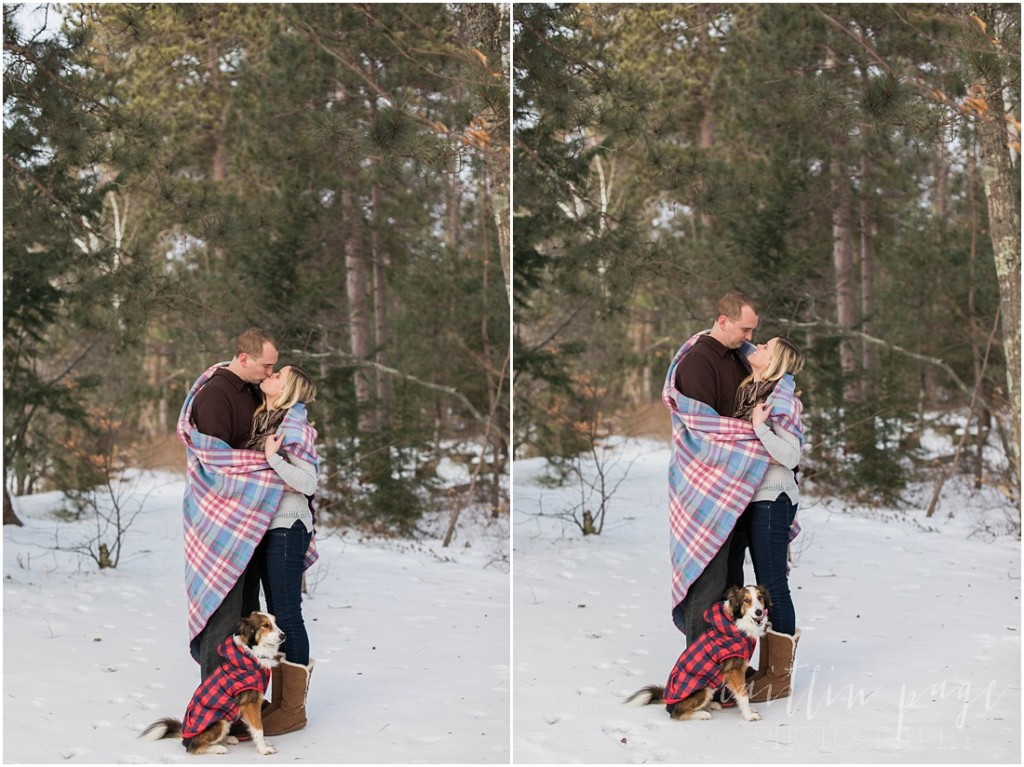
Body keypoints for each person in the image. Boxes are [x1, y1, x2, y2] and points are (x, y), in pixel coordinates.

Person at [668, 292, 760, 646]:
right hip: (707, 489)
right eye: (744, 329)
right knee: (708, 582)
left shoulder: (739, 359)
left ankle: (725, 665)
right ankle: (698, 669)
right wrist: (751, 436)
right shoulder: (698, 362)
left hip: (737, 488)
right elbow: (703, 432)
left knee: (732, 582)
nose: (749, 338)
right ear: (723, 320)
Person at [187, 328, 279, 681]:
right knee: (223, 612)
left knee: (246, 610)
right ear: (244, 358)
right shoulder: (215, 396)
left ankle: (241, 697)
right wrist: (262, 466)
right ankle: (213, 702)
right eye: (265, 365)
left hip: (251, 519)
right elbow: (216, 464)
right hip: (223, 520)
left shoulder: (255, 391)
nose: (271, 372)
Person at [245, 365, 320, 736]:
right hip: (269, 527)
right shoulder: (267, 420)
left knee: (288, 616)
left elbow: (307, 481)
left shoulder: (293, 428)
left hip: (288, 528)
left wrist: (274, 460)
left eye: (279, 374)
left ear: (286, 388)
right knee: (278, 615)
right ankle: (279, 703)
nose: (270, 375)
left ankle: (293, 711)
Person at [731, 337, 805, 702]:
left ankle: (779, 678)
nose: (756, 345)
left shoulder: (780, 400)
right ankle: (767, 671)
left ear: (774, 361)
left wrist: (760, 428)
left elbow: (790, 455)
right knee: (765, 585)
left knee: (773, 587)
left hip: (772, 498)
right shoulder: (753, 390)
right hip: (754, 498)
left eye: (766, 345)